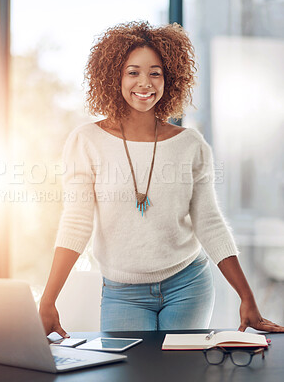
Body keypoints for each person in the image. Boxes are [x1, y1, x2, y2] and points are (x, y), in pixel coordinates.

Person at [39, 21, 284, 337]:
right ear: (114, 77)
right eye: (133, 72)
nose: (145, 83)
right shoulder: (86, 141)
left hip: (188, 284)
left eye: (155, 72)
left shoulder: (190, 144)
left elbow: (209, 223)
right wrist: (48, 300)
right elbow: (76, 224)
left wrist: (246, 296)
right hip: (123, 293)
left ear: (170, 78)